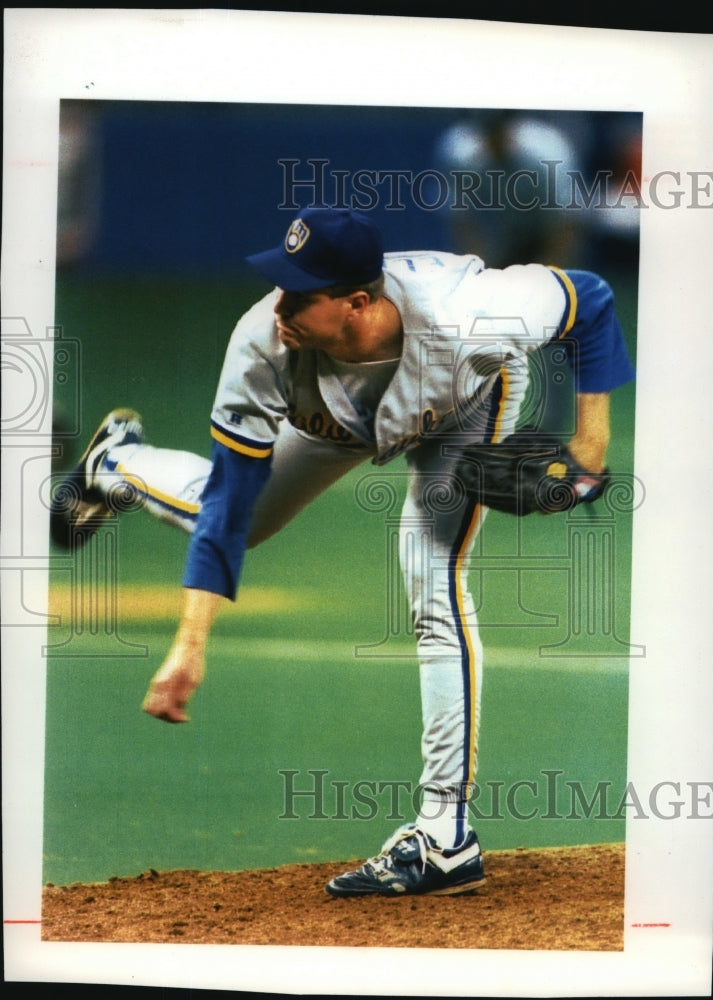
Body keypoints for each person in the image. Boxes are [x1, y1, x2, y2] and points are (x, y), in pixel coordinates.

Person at [51, 207, 635, 897]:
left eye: (301, 294)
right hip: (339, 419)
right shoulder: (262, 345)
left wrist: (589, 446)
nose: (281, 305)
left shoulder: (475, 310)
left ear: (358, 302)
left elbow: (590, 300)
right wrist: (190, 642)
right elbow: (231, 504)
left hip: (467, 402)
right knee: (244, 521)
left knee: (434, 579)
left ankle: (445, 834)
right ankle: (118, 465)